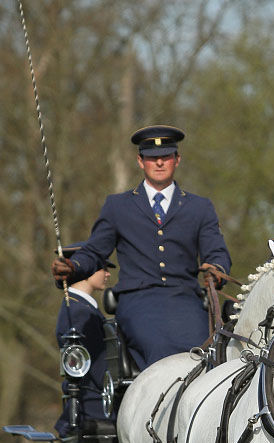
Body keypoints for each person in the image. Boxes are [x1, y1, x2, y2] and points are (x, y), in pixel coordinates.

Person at [51, 125, 231, 370]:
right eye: (151, 158)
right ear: (140, 161)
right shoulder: (117, 206)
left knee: (205, 354)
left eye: (165, 156)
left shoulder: (200, 208)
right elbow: (95, 252)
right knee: (162, 351)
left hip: (185, 300)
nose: (159, 163)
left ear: (177, 159)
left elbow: (217, 251)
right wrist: (74, 266)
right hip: (138, 301)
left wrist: (216, 268)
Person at [54, 244, 115, 438]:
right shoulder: (80, 313)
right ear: (86, 270)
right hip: (95, 405)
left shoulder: (81, 307)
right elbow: (96, 367)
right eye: (103, 268)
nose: (107, 274)